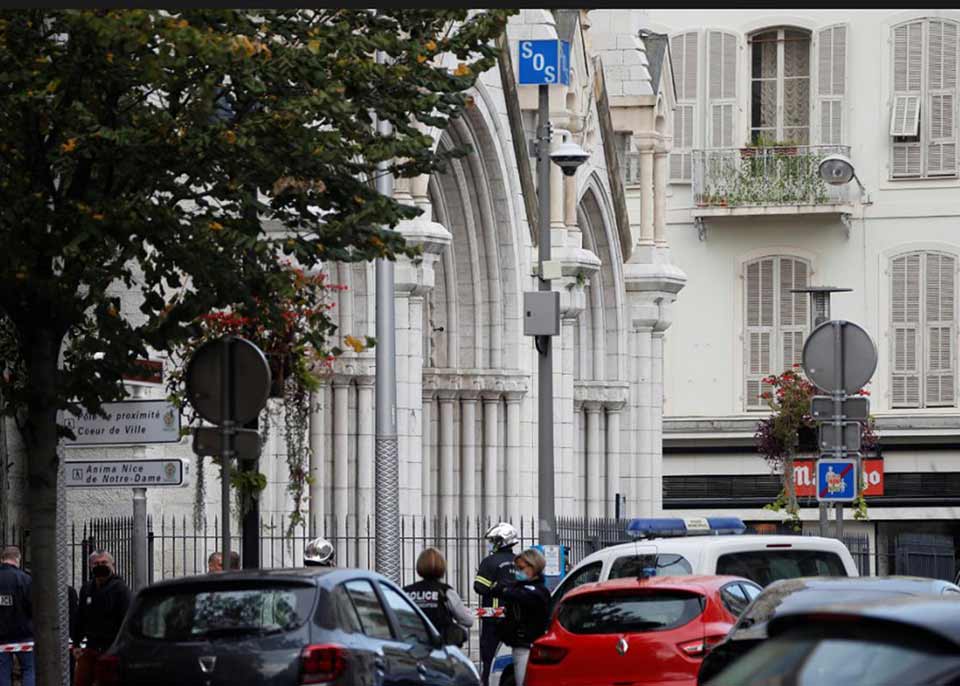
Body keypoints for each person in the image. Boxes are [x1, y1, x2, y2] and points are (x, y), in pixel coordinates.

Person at [489, 548, 551, 686]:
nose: (518, 572)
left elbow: (522, 596)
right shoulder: (519, 587)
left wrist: (505, 590)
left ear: (533, 567)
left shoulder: (537, 591)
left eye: (521, 568)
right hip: (519, 643)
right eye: (516, 568)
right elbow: (498, 590)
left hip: (528, 644)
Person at [73, 550, 132, 686]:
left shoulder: (120, 589)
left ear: (112, 565)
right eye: (96, 564)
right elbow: (80, 616)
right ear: (90, 567)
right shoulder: (87, 588)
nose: (100, 566)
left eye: (104, 563)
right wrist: (76, 643)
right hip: (91, 647)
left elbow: (126, 620)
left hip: (111, 649)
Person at [473, 522, 518, 686]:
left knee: (490, 656)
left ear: (502, 541)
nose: (492, 544)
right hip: (516, 618)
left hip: (493, 619)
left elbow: (479, 587)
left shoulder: (490, 562)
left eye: (494, 540)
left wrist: (494, 587)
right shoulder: (521, 561)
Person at [404, 548, 473, 646]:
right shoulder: (445, 591)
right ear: (442, 566)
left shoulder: (406, 591)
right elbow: (467, 621)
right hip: (439, 644)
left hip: (412, 643)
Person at [0, 546, 33, 686]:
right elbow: (33, 607)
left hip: (1, 636)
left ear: (2, 559)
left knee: (2, 673)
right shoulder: (25, 579)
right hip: (23, 634)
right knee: (29, 670)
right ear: (17, 559)